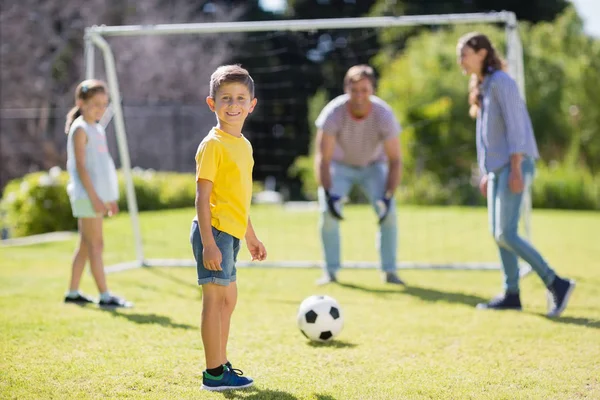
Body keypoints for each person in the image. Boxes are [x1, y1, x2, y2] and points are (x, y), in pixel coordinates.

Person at [457, 32, 575, 316]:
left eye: (464, 54)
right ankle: (512, 293)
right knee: (497, 234)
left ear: (482, 53)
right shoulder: (483, 86)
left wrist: (516, 166)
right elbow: (488, 136)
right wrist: (487, 172)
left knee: (505, 232)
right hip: (497, 169)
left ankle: (556, 283)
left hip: (514, 166)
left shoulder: (501, 82)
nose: (460, 60)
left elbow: (516, 126)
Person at [191, 65, 267, 391]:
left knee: (228, 301)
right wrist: (208, 243)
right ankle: (213, 373)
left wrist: (250, 236)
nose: (232, 104)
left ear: (252, 104)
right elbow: (202, 197)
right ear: (212, 103)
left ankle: (222, 364)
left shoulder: (244, 145)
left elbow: (239, 197)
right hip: (215, 233)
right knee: (214, 301)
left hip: (232, 235)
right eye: (225, 98)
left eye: (240, 98)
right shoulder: (214, 144)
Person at [314, 64, 404, 286]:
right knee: (327, 213)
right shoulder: (333, 113)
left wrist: (388, 195)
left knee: (389, 214)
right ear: (346, 90)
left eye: (364, 90)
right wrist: (328, 193)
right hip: (339, 166)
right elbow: (322, 158)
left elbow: (396, 160)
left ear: (372, 90)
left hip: (374, 166)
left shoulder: (384, 114)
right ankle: (331, 272)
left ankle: (390, 271)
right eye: (354, 90)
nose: (359, 96)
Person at [64, 79, 132, 308]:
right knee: (96, 245)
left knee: (86, 245)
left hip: (97, 196)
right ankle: (105, 296)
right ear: (80, 103)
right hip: (86, 196)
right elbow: (81, 167)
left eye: (104, 104)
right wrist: (94, 197)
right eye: (95, 104)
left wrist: (109, 197)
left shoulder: (97, 128)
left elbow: (102, 167)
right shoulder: (80, 129)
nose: (100, 109)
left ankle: (72, 292)